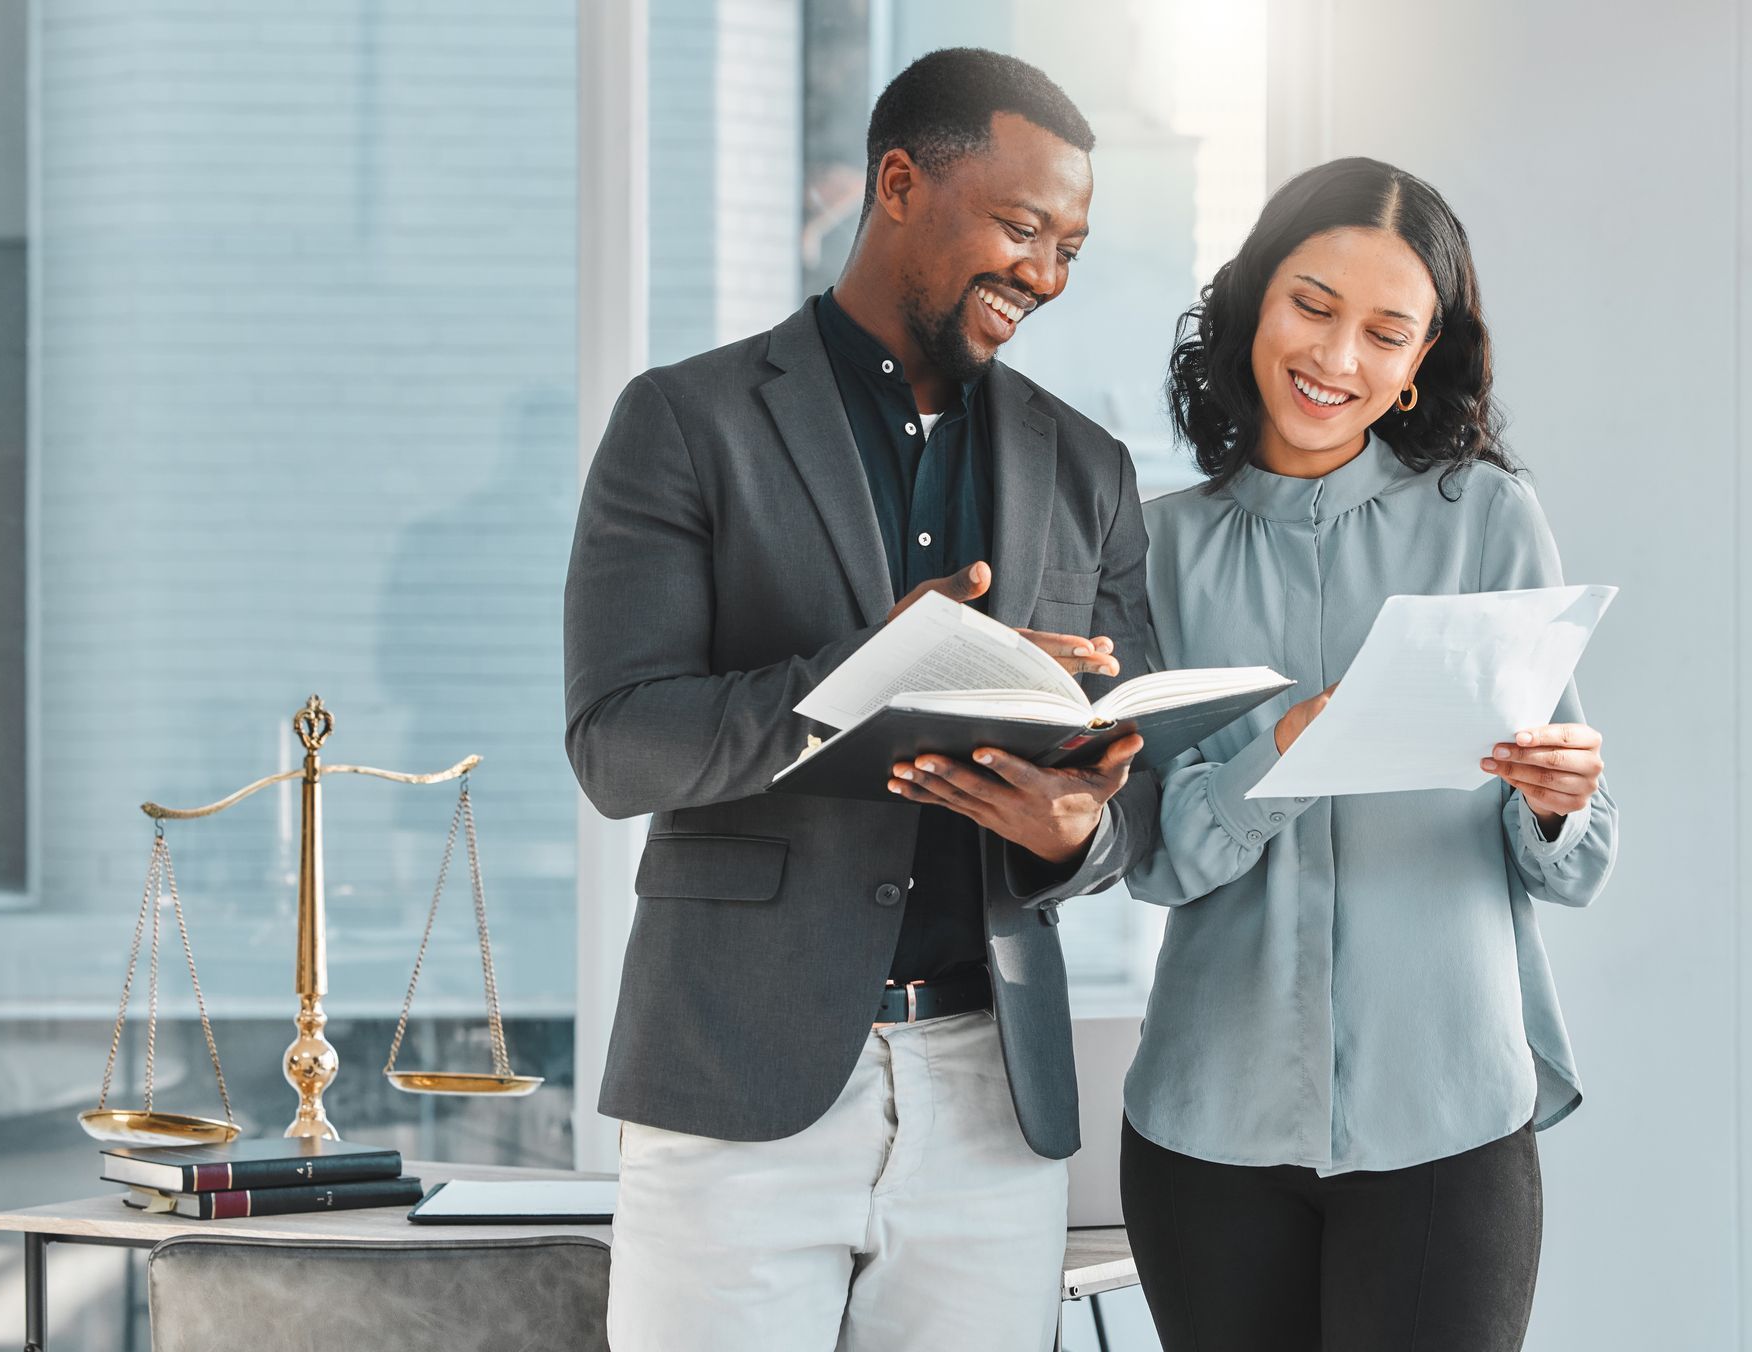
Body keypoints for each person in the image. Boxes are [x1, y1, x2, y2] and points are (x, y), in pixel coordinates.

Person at [564, 47, 1160, 1352]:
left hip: (990, 1099)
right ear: (898, 183)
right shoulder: (685, 421)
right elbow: (617, 745)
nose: (1046, 274)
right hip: (734, 1080)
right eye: (1020, 225)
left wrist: (1077, 831)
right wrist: (858, 679)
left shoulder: (1092, 470)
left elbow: (1140, 798)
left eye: (1070, 243)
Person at [1114, 156, 1618, 1352]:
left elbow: (1574, 862)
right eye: (1313, 305)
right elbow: (1149, 859)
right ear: (1250, 306)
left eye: (1386, 333)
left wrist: (1558, 799)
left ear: (1414, 368)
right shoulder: (1154, 547)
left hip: (1448, 1121)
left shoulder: (1490, 518)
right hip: (1206, 1130)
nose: (1338, 358)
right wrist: (1278, 753)